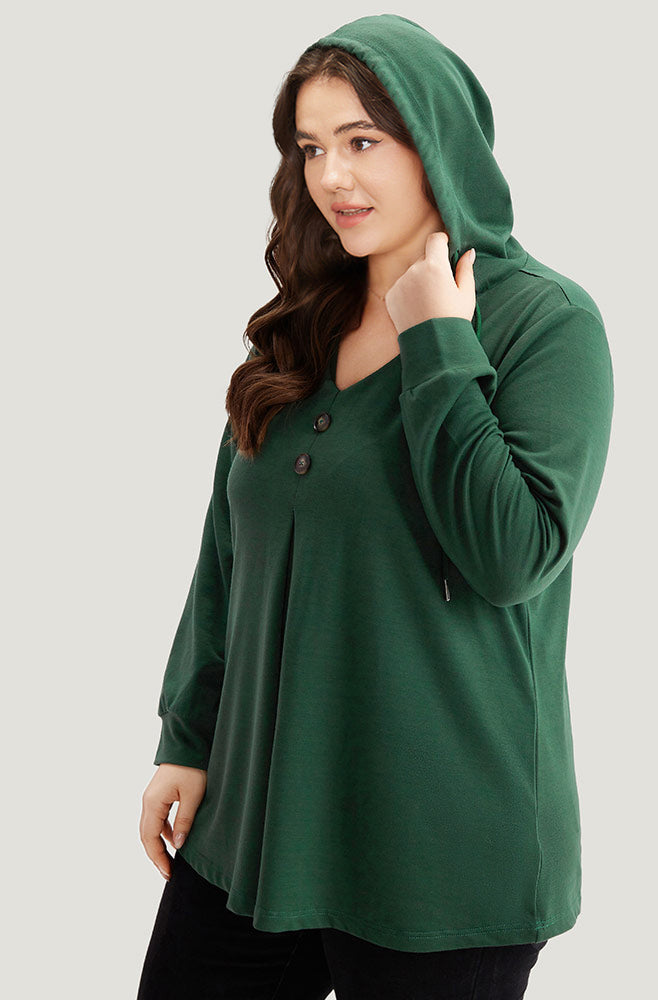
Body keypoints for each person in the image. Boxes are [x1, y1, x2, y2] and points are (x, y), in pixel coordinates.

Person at [136, 13, 614, 1000]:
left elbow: (512, 554)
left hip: (438, 853)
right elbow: (229, 553)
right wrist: (188, 737)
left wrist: (438, 339)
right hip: (258, 821)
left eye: (362, 141)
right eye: (312, 148)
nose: (333, 178)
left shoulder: (546, 322)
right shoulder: (305, 322)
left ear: (436, 138)